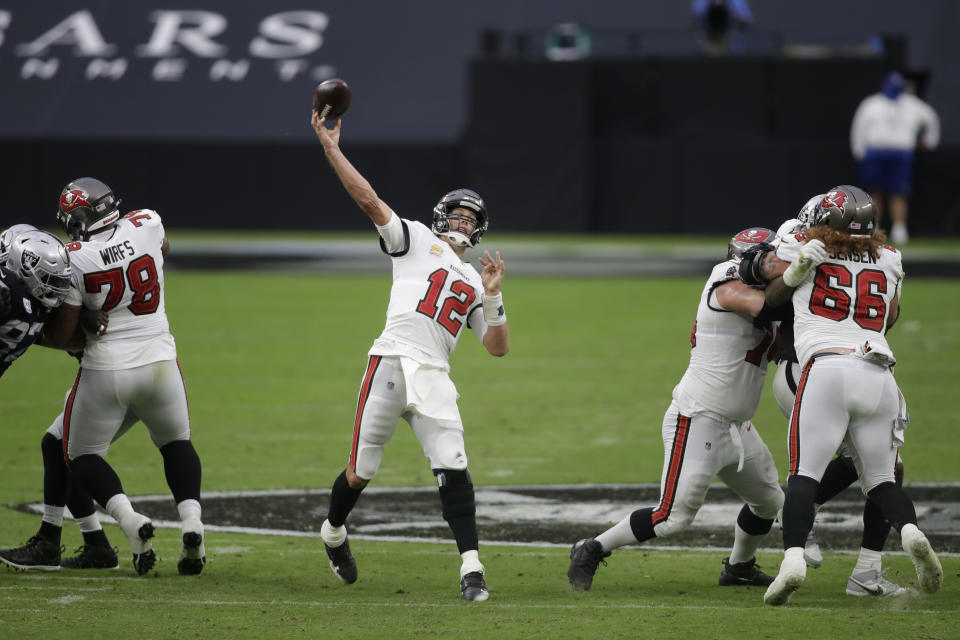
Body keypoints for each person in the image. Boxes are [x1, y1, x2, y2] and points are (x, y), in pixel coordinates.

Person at [310, 111, 510, 602]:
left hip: (435, 374)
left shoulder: (472, 280)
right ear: (443, 216)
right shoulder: (415, 238)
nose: (463, 223)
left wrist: (493, 297)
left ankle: (472, 569)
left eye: (471, 219)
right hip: (391, 361)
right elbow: (368, 199)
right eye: (458, 215)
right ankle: (333, 531)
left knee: (454, 464)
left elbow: (497, 347)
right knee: (361, 471)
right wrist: (333, 148)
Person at [752, 184, 942, 605]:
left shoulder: (798, 239)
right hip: (877, 372)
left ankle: (798, 557)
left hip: (822, 369)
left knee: (804, 473)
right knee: (883, 476)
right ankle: (907, 533)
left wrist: (798, 267)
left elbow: (767, 282)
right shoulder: (890, 257)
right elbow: (889, 315)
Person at [567, 227, 785, 592]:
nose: (776, 266)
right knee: (672, 517)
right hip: (698, 417)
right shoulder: (725, 280)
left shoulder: (772, 298)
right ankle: (591, 548)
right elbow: (760, 305)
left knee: (769, 501)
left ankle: (738, 567)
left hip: (738, 425)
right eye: (771, 259)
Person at [43, 177, 206, 577]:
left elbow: (65, 336)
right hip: (161, 362)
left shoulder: (75, 257)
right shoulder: (147, 223)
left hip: (108, 371)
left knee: (78, 456)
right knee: (176, 444)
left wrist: (82, 315)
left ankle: (130, 523)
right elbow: (161, 251)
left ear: (81, 218)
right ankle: (192, 525)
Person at [0, 224, 122, 571]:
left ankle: (70, 543)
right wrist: (85, 317)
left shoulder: (18, 297)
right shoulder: (35, 308)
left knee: (63, 448)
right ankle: (92, 543)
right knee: (59, 448)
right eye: (49, 280)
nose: (56, 289)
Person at [850, 71, 940, 244]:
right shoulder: (871, 103)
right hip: (875, 153)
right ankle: (873, 228)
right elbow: (858, 127)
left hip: (900, 154)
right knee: (874, 192)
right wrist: (859, 151)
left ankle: (900, 229)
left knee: (899, 192)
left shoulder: (912, 104)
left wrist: (930, 141)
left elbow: (931, 119)